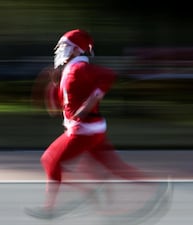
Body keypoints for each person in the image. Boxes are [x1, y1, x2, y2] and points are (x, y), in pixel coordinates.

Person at [26, 29, 169, 220]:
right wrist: (53, 84)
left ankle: (58, 204)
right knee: (111, 168)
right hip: (91, 129)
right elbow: (57, 111)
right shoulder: (67, 72)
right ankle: (150, 189)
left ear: (77, 50)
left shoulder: (79, 68)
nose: (60, 50)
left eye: (64, 46)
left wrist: (90, 103)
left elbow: (109, 75)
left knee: (50, 160)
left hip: (83, 131)